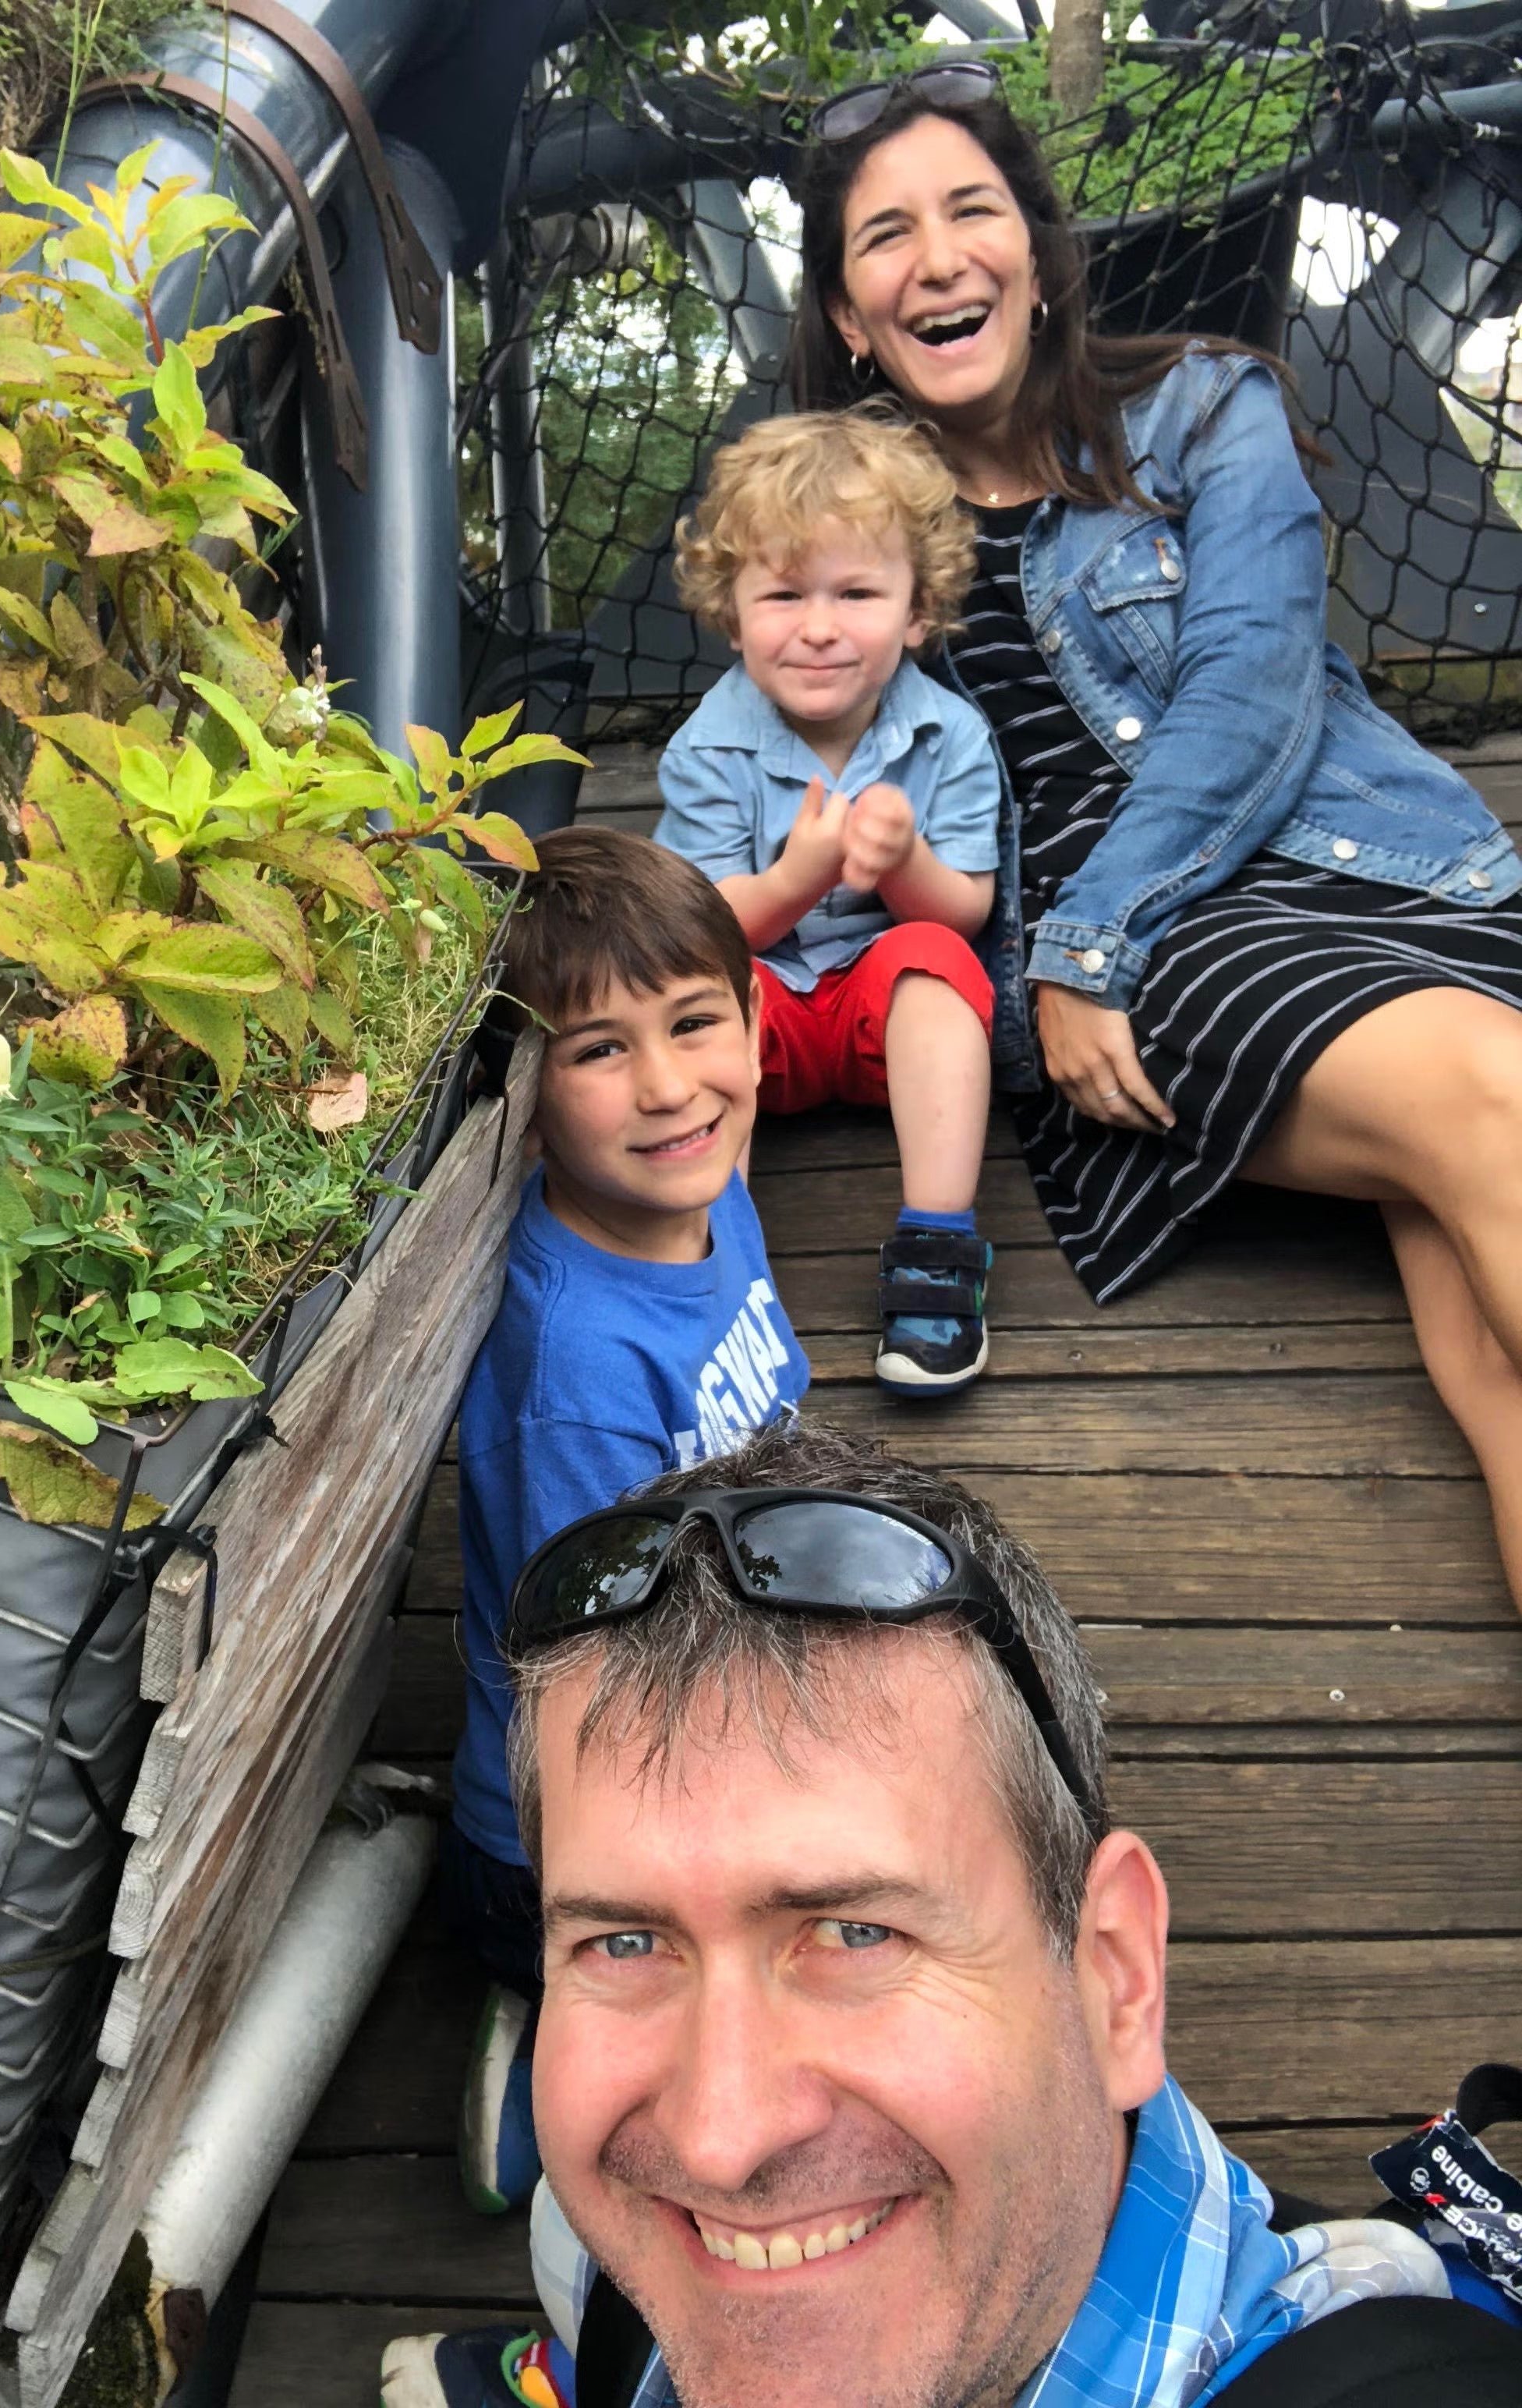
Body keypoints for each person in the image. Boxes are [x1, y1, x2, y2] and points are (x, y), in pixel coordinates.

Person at [780, 62, 1522, 1603]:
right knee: (1490, 1097)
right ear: (851, 317)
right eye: (885, 235)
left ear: (1039, 259)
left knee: (1485, 1345)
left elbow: (1251, 682)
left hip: (1346, 869)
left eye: (971, 211)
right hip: (1143, 973)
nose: (937, 257)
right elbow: (801, 811)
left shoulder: (1202, 404)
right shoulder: (835, 547)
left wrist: (1088, 934)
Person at [383, 1421, 1522, 2408]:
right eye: (624, 1941)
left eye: (853, 1934)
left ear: (1114, 1975)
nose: (717, 2143)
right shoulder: (625, 2245)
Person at [440, 825, 809, 2223]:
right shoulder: (582, 1375)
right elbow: (595, 1692)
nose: (668, 1088)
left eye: (695, 1023)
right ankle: (557, 2012)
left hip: (711, 1653)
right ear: (530, 1099)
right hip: (569, 1834)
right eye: (598, 1051)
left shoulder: (711, 1190)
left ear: (757, 1024)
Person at [656, 410, 1004, 1396]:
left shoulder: (951, 737)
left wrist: (901, 865)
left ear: (916, 612)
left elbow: (964, 909)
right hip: (761, 1002)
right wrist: (796, 879)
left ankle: (938, 1248)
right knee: (694, 1008)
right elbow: (704, 931)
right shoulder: (708, 748)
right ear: (732, 614)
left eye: (856, 592)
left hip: (877, 1016)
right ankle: (707, 1263)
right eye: (782, 594)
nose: (817, 626)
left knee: (934, 960)